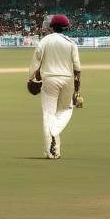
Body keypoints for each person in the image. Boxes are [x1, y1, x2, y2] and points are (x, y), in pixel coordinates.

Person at [28, 13, 82, 159]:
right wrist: (77, 91)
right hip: (67, 80)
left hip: (49, 80)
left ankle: (50, 148)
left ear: (51, 27)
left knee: (48, 114)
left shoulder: (45, 41)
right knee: (66, 110)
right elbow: (77, 69)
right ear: (65, 27)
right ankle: (55, 147)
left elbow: (35, 62)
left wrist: (30, 79)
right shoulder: (70, 43)